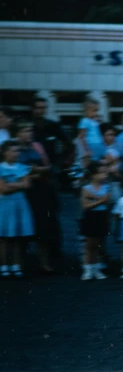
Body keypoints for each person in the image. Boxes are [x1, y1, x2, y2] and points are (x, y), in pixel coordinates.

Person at [16, 121, 59, 274]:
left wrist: (36, 170)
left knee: (43, 228)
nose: (29, 134)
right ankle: (20, 264)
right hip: (25, 192)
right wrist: (34, 172)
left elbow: (47, 166)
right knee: (23, 228)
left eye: (30, 131)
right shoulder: (15, 148)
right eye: (26, 131)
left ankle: (44, 263)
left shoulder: (37, 146)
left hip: (41, 191)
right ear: (18, 133)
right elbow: (19, 171)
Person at [0, 140, 34, 278]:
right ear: (5, 152)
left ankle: (16, 264)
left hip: (20, 204)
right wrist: (18, 184)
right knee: (4, 237)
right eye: (14, 151)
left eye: (18, 151)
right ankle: (3, 265)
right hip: (5, 204)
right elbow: (3, 189)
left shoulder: (22, 167)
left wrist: (11, 184)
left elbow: (27, 184)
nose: (17, 153)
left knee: (17, 236)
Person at [80, 161, 110, 280]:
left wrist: (93, 198)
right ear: (93, 175)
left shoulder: (106, 187)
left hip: (101, 215)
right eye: (101, 173)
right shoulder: (86, 188)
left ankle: (96, 268)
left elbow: (107, 199)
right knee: (89, 244)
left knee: (98, 244)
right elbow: (85, 205)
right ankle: (87, 268)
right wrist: (100, 200)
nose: (104, 175)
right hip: (90, 216)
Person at [31, 97, 72, 180]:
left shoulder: (53, 126)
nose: (42, 111)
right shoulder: (28, 126)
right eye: (39, 108)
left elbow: (68, 142)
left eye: (44, 108)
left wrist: (60, 161)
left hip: (50, 168)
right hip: (32, 168)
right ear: (33, 109)